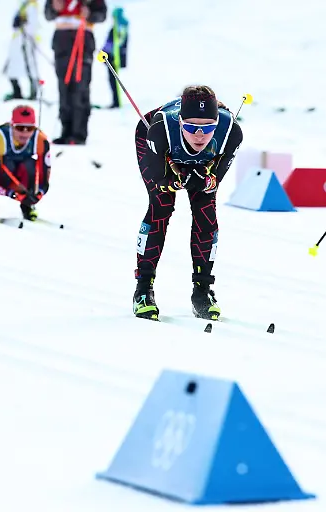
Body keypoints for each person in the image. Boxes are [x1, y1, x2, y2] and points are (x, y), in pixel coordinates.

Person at [132, 85, 243, 321]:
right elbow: (160, 179)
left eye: (208, 128)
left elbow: (214, 181)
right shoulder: (160, 129)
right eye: (192, 127)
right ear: (181, 121)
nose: (200, 135)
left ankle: (202, 292)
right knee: (161, 206)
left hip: (204, 159)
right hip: (158, 146)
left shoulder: (231, 133)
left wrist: (203, 178)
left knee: (206, 214)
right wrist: (175, 180)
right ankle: (143, 290)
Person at [0, 105, 52, 222]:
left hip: (19, 172)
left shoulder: (40, 140)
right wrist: (12, 194)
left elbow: (45, 173)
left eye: (29, 129)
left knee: (31, 165)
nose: (25, 133)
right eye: (20, 128)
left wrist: (39, 193)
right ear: (12, 126)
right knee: (7, 165)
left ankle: (27, 205)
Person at [44, 0, 107, 144]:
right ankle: (66, 131)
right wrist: (54, 8)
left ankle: (78, 133)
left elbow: (102, 14)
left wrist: (90, 14)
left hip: (82, 41)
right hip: (62, 42)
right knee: (64, 87)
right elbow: (47, 15)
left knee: (80, 87)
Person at [4, 0, 40, 101]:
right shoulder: (22, 4)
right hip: (18, 41)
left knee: (30, 67)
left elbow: (32, 24)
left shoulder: (32, 5)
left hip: (26, 41)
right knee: (12, 68)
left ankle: (34, 93)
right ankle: (16, 92)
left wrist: (23, 24)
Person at [101, 7, 128, 109]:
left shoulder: (118, 29)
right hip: (115, 58)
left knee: (113, 81)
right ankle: (116, 101)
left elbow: (113, 44)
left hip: (113, 59)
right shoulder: (122, 28)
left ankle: (116, 102)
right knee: (114, 81)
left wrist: (104, 51)